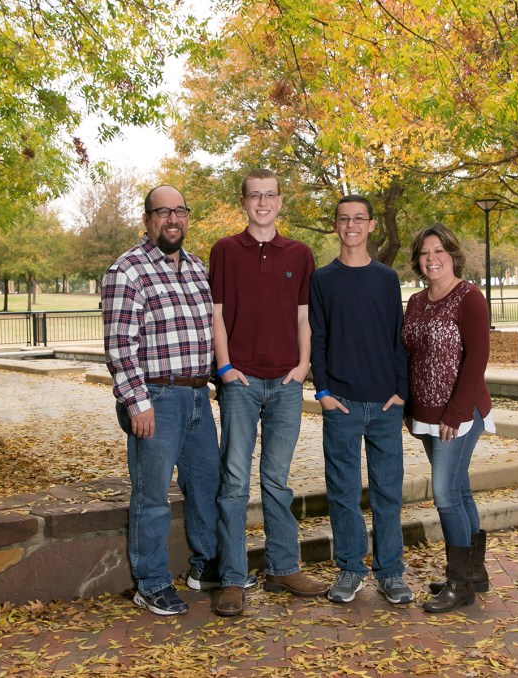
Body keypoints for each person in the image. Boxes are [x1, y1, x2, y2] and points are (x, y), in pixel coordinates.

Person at [209, 168, 329, 616]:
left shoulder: (299, 253)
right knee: (235, 482)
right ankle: (233, 578)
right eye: (255, 195)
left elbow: (304, 316)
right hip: (240, 382)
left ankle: (282, 568)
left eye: (270, 195)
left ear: (280, 201)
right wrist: (225, 367)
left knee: (277, 480)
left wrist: (302, 367)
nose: (263, 203)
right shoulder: (224, 250)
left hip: (285, 384)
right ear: (243, 202)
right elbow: (216, 313)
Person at [102, 185, 221, 616]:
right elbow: (120, 345)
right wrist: (137, 402)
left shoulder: (197, 267)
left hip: (198, 395)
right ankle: (151, 583)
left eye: (180, 211)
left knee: (205, 486)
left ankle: (205, 567)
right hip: (157, 397)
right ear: (148, 219)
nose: (173, 219)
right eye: (163, 212)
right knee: (152, 495)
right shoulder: (127, 270)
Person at [309, 195, 413, 605]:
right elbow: (317, 338)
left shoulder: (386, 278)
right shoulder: (322, 279)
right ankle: (351, 569)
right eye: (343, 219)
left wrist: (401, 391)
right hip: (342, 403)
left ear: (371, 225)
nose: (351, 225)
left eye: (358, 218)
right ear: (335, 225)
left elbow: (397, 337)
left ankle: (391, 573)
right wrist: (322, 391)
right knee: (343, 492)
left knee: (388, 492)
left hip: (385, 405)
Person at [401, 223, 495, 613]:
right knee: (459, 489)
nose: (431, 259)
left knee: (444, 493)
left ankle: (460, 585)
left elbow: (477, 358)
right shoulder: (415, 302)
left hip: (460, 413)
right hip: (426, 414)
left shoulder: (469, 297)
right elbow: (409, 356)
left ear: (452, 255)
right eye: (424, 253)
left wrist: (456, 414)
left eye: (438, 251)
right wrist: (409, 409)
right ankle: (474, 573)